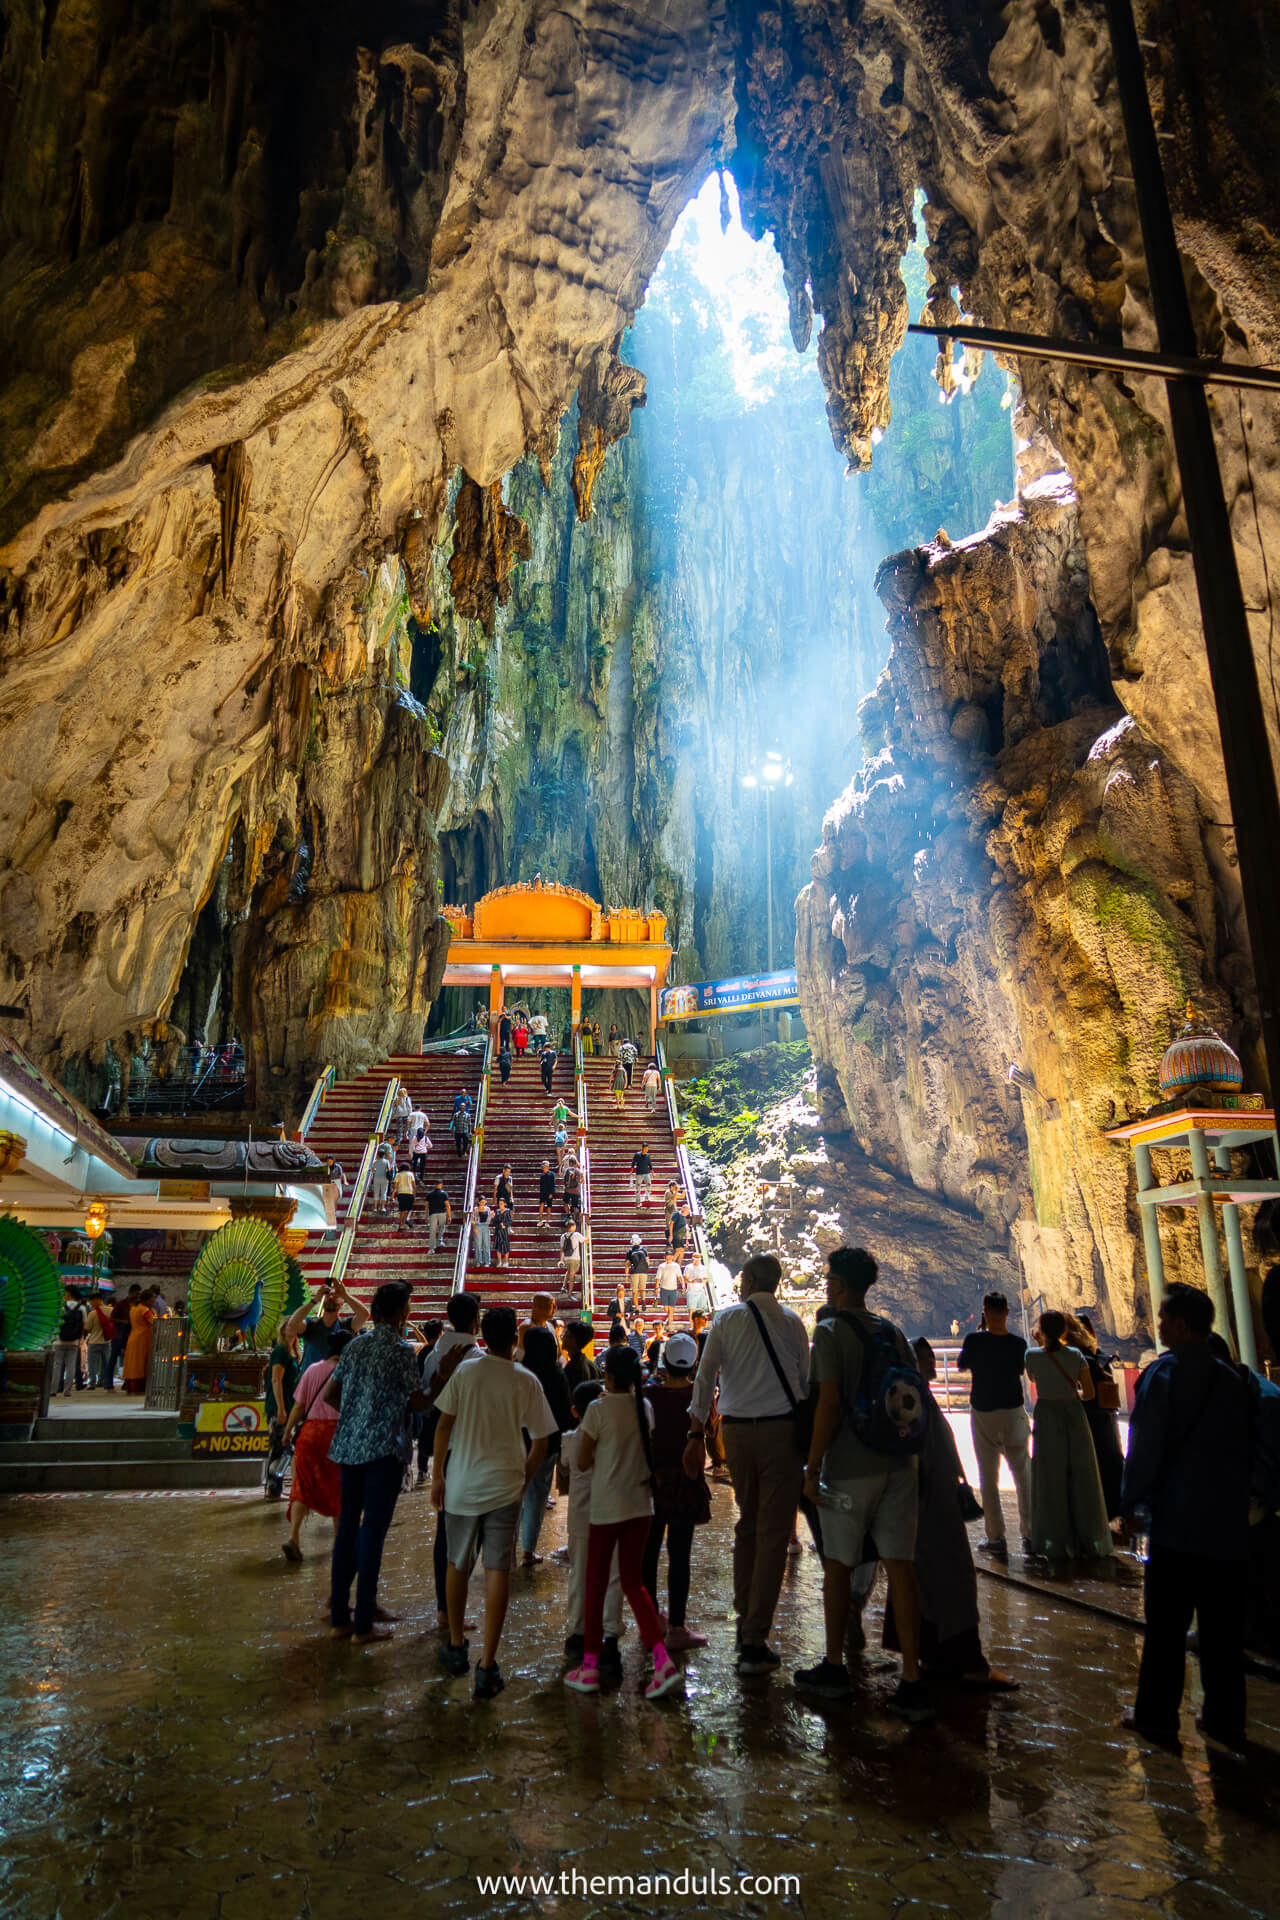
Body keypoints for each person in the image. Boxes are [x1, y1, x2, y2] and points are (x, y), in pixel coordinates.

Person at [795, 1247, 933, 1720]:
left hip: (850, 1466)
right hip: (899, 1463)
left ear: (837, 1285)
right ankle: (912, 1677)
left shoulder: (830, 1330)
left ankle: (834, 1666)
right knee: (902, 1567)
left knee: (837, 1564)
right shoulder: (892, 1332)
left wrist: (813, 1468)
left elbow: (828, 1404)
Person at [1121, 1283, 1252, 1751]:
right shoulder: (1233, 1379)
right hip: (1226, 1527)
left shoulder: (1163, 1376)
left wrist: (1131, 1506)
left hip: (1177, 1524)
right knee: (1222, 1633)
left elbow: (1145, 1450)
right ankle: (1225, 1720)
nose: (1158, 1326)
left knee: (1166, 1628)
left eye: (1162, 1318)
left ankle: (1157, 1718)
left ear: (1179, 1324)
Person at [685, 1253, 809, 1675]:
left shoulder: (726, 1320)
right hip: (780, 1431)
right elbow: (804, 1385)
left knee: (747, 1523)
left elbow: (705, 1377)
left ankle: (744, 1619)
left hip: (736, 1431)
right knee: (774, 1533)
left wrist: (695, 1433)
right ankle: (754, 1637)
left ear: (751, 1279)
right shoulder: (792, 1322)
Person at [433, 1306, 558, 1698]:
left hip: (462, 1487)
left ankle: (455, 1646)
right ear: (515, 1340)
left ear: (483, 1337)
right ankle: (487, 1664)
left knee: (457, 1563)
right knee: (496, 1572)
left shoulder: (465, 1373)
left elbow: (443, 1425)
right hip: (505, 1487)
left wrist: (438, 1475)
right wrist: (523, 1475)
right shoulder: (526, 1381)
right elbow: (542, 1441)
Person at [882, 1338, 1017, 1692]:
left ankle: (936, 1657)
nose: (930, 1362)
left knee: (931, 1579)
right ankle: (962, 1662)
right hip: (930, 1505)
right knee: (950, 1578)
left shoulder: (914, 1395)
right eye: (923, 1357)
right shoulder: (909, 1395)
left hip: (930, 1502)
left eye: (929, 1357)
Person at [564, 1345, 683, 1700]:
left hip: (606, 1509)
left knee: (595, 1584)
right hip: (640, 1507)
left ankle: (589, 1667)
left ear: (609, 1377)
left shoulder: (597, 1410)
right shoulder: (643, 1406)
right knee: (634, 1585)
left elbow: (583, 1462)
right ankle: (662, 1662)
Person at [325, 1280, 425, 1643]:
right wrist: (442, 1377)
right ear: (401, 1313)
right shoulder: (402, 1350)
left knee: (348, 1529)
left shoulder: (354, 1346)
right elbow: (416, 1402)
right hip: (383, 1452)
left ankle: (340, 1617)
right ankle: (364, 1622)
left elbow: (333, 1394)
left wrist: (356, 1417)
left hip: (348, 1448)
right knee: (373, 1534)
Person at [642, 1332, 711, 1651]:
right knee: (680, 1554)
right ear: (693, 1362)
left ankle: (651, 1621)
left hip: (654, 1481)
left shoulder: (648, 1394)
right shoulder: (699, 1394)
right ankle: (677, 1626)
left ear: (664, 1361)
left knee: (649, 1552)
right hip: (686, 1480)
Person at [1025, 1311, 1112, 1562]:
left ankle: (1054, 1539)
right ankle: (1088, 1537)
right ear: (1065, 1331)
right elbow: (1088, 1394)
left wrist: (1042, 1345)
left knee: (1050, 1476)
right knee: (1082, 1474)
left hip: (1047, 1416)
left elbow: (1033, 1378)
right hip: (1073, 1414)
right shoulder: (1075, 1356)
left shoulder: (1031, 1356)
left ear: (1040, 1331)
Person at [957, 1291, 1034, 1557]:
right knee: (1023, 1473)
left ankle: (996, 1537)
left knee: (988, 1477)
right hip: (1013, 1410)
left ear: (985, 1313)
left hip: (984, 1412)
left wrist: (979, 1333)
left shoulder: (974, 1341)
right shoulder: (1018, 1343)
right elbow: (1019, 1370)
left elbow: (961, 1364)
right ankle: (1031, 1535)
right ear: (1007, 1312)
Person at [561, 1380, 624, 1667]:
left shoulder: (571, 1440)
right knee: (613, 1576)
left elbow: (565, 1470)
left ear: (575, 1411)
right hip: (611, 1513)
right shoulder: (612, 1438)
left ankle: (578, 1632)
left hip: (580, 1517)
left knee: (580, 1574)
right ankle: (610, 1637)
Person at [280, 1328, 355, 1561]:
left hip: (310, 1435)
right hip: (338, 1435)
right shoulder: (350, 1372)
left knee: (302, 1486)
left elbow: (299, 1406)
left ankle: (294, 1537)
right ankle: (339, 1541)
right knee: (340, 1487)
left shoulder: (312, 1370)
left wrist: (288, 1431)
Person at [518, 1321, 573, 1565]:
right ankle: (528, 1550)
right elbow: (562, 1412)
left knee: (515, 1497)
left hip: (518, 1443)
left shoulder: (519, 1371)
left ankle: (508, 1550)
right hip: (547, 1444)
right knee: (537, 1497)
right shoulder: (557, 1375)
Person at [1069, 1312, 1125, 1521]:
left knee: (1093, 1466)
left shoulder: (1079, 1358)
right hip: (1106, 1417)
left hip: (1088, 1418)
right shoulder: (1098, 1354)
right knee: (1110, 1462)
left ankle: (1097, 1514)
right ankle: (1114, 1511)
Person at [264, 1321, 301, 1501]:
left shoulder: (293, 1352)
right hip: (279, 1407)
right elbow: (276, 1380)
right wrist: (280, 1408)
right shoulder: (280, 1351)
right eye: (289, 1325)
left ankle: (275, 1486)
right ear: (283, 1329)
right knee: (278, 1447)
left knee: (285, 1447)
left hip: (289, 1405)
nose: (292, 1328)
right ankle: (272, 1489)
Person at [122, 1289, 157, 1395]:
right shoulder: (145, 1310)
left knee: (132, 1363)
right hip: (143, 1339)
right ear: (146, 1300)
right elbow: (154, 1322)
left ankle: (131, 1387)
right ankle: (139, 1388)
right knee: (140, 1364)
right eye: (151, 1300)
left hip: (133, 1337)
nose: (153, 1303)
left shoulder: (133, 1308)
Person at [51, 1290, 86, 1397]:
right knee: (71, 1366)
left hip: (59, 1341)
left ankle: (53, 1390)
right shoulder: (82, 1308)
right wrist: (80, 1339)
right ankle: (67, 1391)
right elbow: (84, 1325)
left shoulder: (59, 1307)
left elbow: (54, 1324)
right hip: (74, 1342)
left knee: (57, 1365)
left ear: (69, 1295)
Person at [83, 1292, 115, 1391]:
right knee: (106, 1363)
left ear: (96, 1300)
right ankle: (104, 1382)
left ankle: (92, 1383)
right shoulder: (111, 1310)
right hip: (107, 1342)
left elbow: (88, 1328)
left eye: (91, 1302)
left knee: (93, 1364)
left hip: (94, 1342)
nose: (91, 1304)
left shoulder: (93, 1313)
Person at [109, 1289, 136, 1387]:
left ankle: (127, 1382)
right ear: (131, 1293)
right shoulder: (121, 1304)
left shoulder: (136, 1306)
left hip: (130, 1336)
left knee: (128, 1360)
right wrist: (124, 1322)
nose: (137, 1296)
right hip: (118, 1335)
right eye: (136, 1293)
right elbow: (111, 1318)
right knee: (113, 1359)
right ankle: (109, 1384)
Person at [654, 1249, 683, 1334]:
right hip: (664, 1289)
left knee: (671, 1307)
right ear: (665, 1257)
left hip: (673, 1289)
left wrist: (683, 1284)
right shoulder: (661, 1266)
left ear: (672, 1257)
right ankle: (669, 1319)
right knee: (666, 1308)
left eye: (670, 1257)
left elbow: (679, 1276)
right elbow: (658, 1278)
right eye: (667, 1257)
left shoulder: (676, 1266)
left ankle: (669, 1324)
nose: (669, 1258)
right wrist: (656, 1288)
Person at [562, 1321, 595, 1390]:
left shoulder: (572, 1368)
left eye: (567, 1335)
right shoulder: (592, 1366)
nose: (563, 1338)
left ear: (574, 1340)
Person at [424, 1181, 452, 1255]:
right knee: (441, 1227)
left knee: (433, 1231)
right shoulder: (444, 1193)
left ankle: (432, 1248)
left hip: (433, 1214)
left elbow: (426, 1206)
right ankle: (439, 1240)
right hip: (442, 1213)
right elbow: (447, 1205)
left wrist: (426, 1216)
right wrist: (449, 1216)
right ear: (441, 1185)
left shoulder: (429, 1194)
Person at [625, 1234, 649, 1312]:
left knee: (634, 1291)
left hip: (634, 1272)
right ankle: (643, 1300)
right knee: (642, 1289)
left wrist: (626, 1276)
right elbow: (648, 1262)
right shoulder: (644, 1250)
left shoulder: (630, 1251)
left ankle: (637, 1308)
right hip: (643, 1272)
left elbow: (627, 1264)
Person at [683, 1254, 711, 1323]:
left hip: (700, 1291)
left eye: (696, 1260)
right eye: (693, 1260)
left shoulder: (703, 1268)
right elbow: (685, 1279)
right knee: (691, 1310)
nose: (694, 1261)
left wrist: (701, 1281)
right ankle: (692, 1326)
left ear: (699, 1260)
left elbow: (705, 1279)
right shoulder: (688, 1267)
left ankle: (700, 1326)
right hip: (691, 1291)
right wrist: (691, 1281)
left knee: (702, 1309)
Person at [560, 1219, 585, 1293]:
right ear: (573, 1226)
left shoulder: (563, 1236)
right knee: (572, 1276)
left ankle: (564, 1286)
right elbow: (585, 1240)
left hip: (566, 1258)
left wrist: (561, 1259)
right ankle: (569, 1294)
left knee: (569, 1271)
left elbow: (561, 1249)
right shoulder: (576, 1234)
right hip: (575, 1258)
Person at [370, 1143, 393, 1213]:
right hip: (384, 1178)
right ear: (384, 1155)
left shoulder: (375, 1161)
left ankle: (375, 1207)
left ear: (377, 1155)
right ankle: (383, 1207)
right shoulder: (386, 1161)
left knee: (376, 1192)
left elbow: (373, 1169)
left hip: (376, 1178)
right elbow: (389, 1169)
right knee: (384, 1193)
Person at [394, 1164, 417, 1232]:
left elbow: (395, 1186)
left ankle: (401, 1226)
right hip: (409, 1193)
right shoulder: (410, 1174)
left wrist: (393, 1195)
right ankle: (407, 1218)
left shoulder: (398, 1174)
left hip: (401, 1193)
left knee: (402, 1210)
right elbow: (414, 1186)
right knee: (410, 1209)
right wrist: (414, 1195)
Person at [471, 1195, 493, 1268]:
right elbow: (472, 1220)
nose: (483, 1203)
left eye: (484, 1202)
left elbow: (489, 1219)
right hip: (478, 1226)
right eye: (481, 1202)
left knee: (486, 1244)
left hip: (486, 1227)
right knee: (478, 1245)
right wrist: (475, 1228)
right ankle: (478, 1261)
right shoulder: (475, 1209)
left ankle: (487, 1261)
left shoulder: (488, 1209)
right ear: (479, 1202)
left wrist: (492, 1217)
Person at [630, 1142, 654, 1207]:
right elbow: (633, 1163)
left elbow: (650, 1164)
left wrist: (652, 1172)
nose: (647, 1149)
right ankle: (638, 1202)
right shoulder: (637, 1155)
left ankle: (646, 1196)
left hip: (646, 1173)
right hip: (639, 1174)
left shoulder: (648, 1155)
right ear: (643, 1148)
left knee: (649, 1183)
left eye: (647, 1148)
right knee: (638, 1188)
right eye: (646, 1148)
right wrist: (631, 1171)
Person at [492, 1196, 512, 1270]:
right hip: (498, 1230)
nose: (500, 1205)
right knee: (498, 1246)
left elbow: (510, 1221)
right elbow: (494, 1222)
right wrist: (493, 1217)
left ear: (504, 1204)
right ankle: (499, 1261)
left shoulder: (507, 1211)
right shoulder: (497, 1211)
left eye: (501, 1203)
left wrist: (505, 1225)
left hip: (504, 1231)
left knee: (506, 1245)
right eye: (499, 1203)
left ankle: (506, 1261)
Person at [537, 1160, 557, 1229]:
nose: (543, 1169)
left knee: (549, 1207)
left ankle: (547, 1222)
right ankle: (540, 1220)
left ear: (548, 1167)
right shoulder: (542, 1175)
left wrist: (552, 1193)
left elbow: (553, 1184)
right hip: (543, 1193)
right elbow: (541, 1185)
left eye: (545, 1167)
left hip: (549, 1193)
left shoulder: (551, 1174)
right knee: (541, 1205)